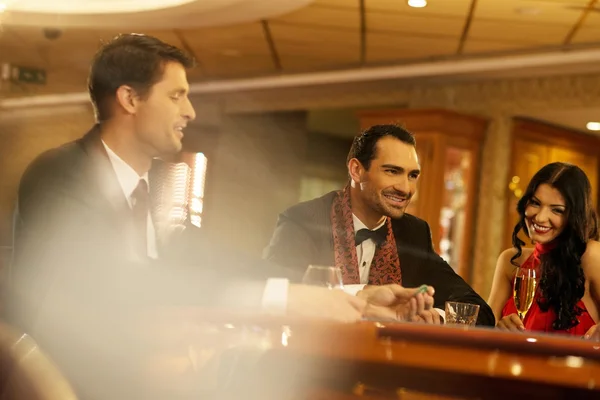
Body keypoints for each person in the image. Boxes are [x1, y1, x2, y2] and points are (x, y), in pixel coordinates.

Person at [6, 34, 435, 399]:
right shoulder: (62, 173)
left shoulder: (146, 195)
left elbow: (223, 263)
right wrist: (282, 302)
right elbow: (113, 287)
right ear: (129, 98)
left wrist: (352, 295)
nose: (190, 111)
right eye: (176, 95)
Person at [264, 124, 494, 326]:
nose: (405, 188)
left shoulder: (414, 233)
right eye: (392, 171)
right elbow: (274, 293)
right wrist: (363, 295)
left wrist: (437, 315)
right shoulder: (303, 221)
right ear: (356, 170)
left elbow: (478, 309)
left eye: (412, 175)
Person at [488, 162, 600, 336]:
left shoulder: (591, 256)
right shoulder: (511, 261)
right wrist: (499, 328)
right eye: (535, 203)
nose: (540, 217)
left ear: (574, 216)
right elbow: (484, 329)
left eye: (557, 210)